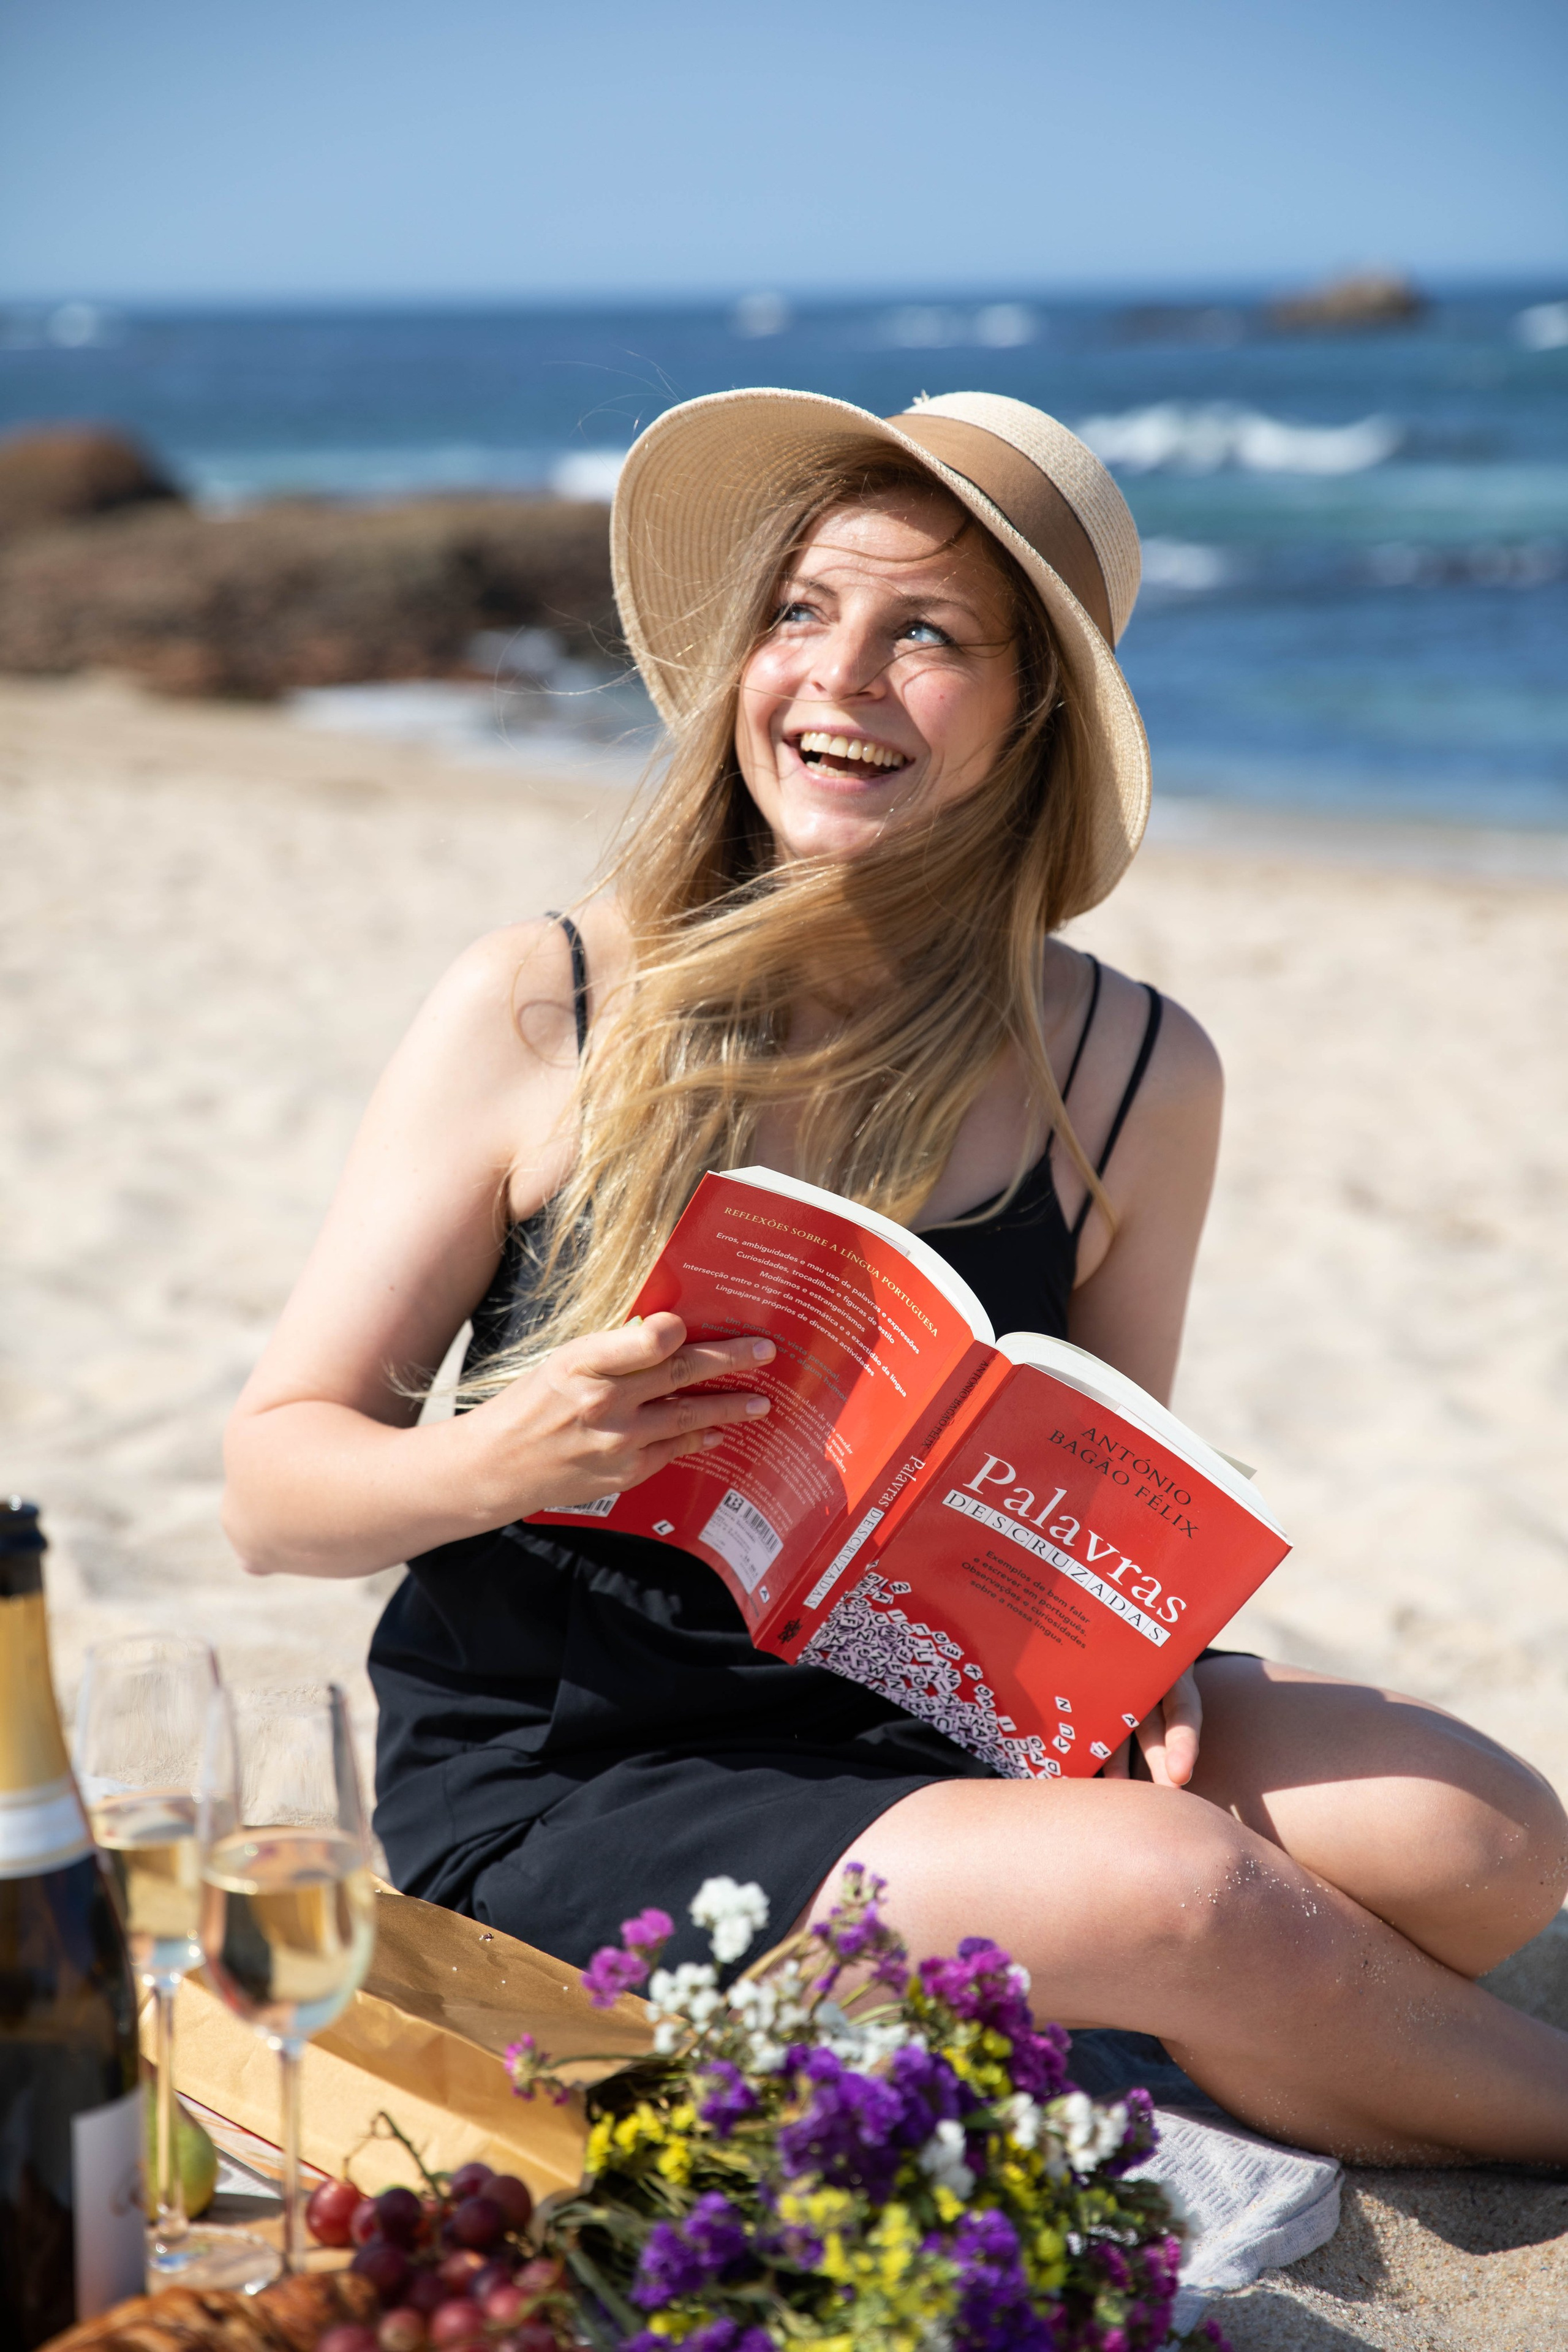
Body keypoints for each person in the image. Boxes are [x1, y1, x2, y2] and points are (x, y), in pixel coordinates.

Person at [224, 389, 1568, 2166]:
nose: (839, 678)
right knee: (1191, 1892)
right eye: (801, 612)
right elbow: (272, 1487)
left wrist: (1138, 1647)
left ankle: (1227, 2021)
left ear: (1029, 725)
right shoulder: (550, 1000)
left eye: (925, 634)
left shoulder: (1135, 1074)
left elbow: (1102, 1494)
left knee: (1488, 1843)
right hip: (584, 1776)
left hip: (943, 1718)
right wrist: (504, 1458)